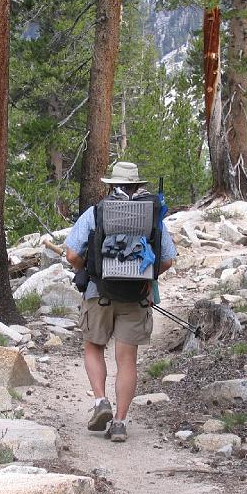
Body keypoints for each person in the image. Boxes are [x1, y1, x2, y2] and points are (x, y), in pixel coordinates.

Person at [64, 162, 177, 442]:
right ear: (139, 185)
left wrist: (88, 270)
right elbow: (167, 259)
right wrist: (145, 278)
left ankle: (101, 400)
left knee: (93, 347)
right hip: (136, 294)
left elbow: (70, 254)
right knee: (127, 361)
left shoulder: (97, 212)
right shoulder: (153, 215)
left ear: (112, 185)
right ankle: (119, 423)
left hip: (98, 292)